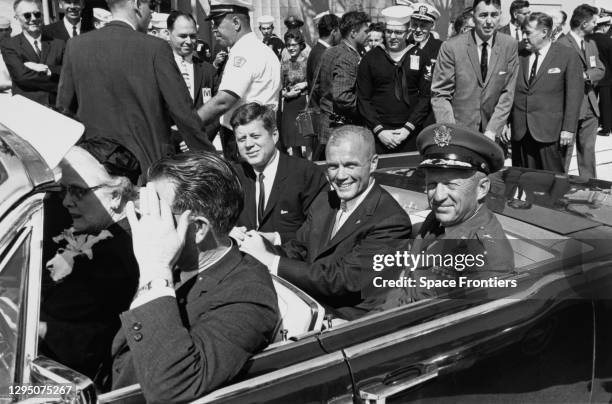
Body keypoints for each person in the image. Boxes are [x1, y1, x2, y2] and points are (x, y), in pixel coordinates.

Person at [110, 151, 279, 403]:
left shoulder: (247, 294)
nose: (144, 218)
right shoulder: (177, 256)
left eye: (156, 210)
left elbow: (173, 387)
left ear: (198, 228)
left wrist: (156, 270)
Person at [240, 125, 412, 320]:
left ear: (373, 164)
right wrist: (254, 246)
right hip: (308, 305)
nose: (340, 176)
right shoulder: (325, 201)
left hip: (348, 324)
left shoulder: (390, 220)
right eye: (332, 166)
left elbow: (344, 280)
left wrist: (271, 261)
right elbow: (297, 250)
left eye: (350, 165)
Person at [56, 0, 214, 173]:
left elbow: (63, 114)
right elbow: (183, 112)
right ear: (138, 4)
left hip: (94, 170)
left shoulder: (76, 46)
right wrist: (212, 161)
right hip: (146, 170)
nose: (152, 13)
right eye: (151, 6)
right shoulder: (156, 48)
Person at [40, 138, 140, 384]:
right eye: (64, 190)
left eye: (78, 191)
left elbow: (93, 341)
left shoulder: (114, 256)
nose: (66, 201)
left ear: (116, 195)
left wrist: (37, 328)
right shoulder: (109, 236)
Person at [383, 123, 514, 306]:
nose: (438, 196)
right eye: (432, 184)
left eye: (451, 185)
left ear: (482, 188)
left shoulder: (486, 259)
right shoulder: (443, 217)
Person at [229, 103, 328, 245]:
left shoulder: (306, 173)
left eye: (255, 136)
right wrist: (228, 232)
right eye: (242, 139)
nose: (248, 144)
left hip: (288, 260)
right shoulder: (233, 176)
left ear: (274, 135)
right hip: (243, 261)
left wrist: (276, 239)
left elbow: (319, 229)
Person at [197, 0, 280, 161]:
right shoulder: (261, 49)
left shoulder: (244, 52)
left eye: (217, 23)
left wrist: (189, 123)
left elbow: (223, 101)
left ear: (236, 22)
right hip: (262, 132)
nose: (214, 29)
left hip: (244, 139)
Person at [430, 0, 519, 143]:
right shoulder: (452, 47)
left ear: (500, 15)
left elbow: (507, 93)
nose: (489, 21)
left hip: (493, 135)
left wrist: (492, 130)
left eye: (494, 15)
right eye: (483, 15)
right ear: (473, 16)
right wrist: (451, 131)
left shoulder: (509, 45)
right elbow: (440, 94)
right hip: (459, 133)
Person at [511, 12, 583, 172]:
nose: (524, 36)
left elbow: (574, 95)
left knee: (553, 183)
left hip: (550, 134)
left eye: (528, 32)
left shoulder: (567, 55)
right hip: (521, 132)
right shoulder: (518, 54)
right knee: (524, 180)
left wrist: (568, 128)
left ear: (544, 32)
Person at [358, 5, 434, 154]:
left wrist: (407, 129)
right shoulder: (370, 58)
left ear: (408, 32)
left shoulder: (420, 56)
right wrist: (379, 130)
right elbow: (363, 98)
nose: (392, 37)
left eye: (398, 32)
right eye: (389, 31)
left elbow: (426, 97)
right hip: (379, 133)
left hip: (411, 132)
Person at [314, 11, 370, 160]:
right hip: (340, 129)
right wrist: (367, 109)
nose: (369, 35)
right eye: (366, 31)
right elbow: (343, 97)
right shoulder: (348, 57)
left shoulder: (330, 51)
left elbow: (318, 86)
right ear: (353, 33)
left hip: (328, 126)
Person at [557, 4, 605, 179]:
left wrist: (585, 75)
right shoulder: (562, 44)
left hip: (591, 108)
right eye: (594, 21)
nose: (596, 25)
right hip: (571, 108)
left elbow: (600, 69)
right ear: (584, 23)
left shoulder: (591, 43)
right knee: (564, 154)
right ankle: (558, 190)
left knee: (588, 152)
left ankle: (591, 188)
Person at [166, 11, 219, 143]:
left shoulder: (208, 71)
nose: (189, 41)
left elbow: (217, 111)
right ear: (168, 34)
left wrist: (199, 138)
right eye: (183, 36)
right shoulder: (159, 68)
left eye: (193, 36)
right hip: (169, 149)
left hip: (201, 148)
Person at [1, 0, 65, 105]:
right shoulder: (9, 45)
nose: (33, 19)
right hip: (27, 108)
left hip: (58, 107)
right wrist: (58, 83)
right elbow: (22, 78)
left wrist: (47, 69)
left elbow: (68, 72)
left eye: (37, 14)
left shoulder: (59, 44)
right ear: (16, 17)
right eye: (27, 15)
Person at [280, 29, 311, 157]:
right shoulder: (285, 65)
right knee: (294, 143)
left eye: (294, 45)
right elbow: (281, 87)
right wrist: (286, 94)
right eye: (288, 45)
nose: (291, 48)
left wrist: (305, 84)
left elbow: (315, 80)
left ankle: (310, 169)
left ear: (301, 45)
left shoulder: (308, 62)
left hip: (304, 104)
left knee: (308, 140)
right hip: (290, 105)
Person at [306, 13, 340, 100]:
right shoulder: (323, 53)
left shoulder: (318, 50)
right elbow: (319, 88)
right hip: (321, 109)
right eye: (340, 31)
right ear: (334, 32)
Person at [589, 16, 612, 136]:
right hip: (606, 77)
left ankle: (593, 124)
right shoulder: (608, 40)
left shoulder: (588, 39)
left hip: (591, 75)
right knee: (606, 102)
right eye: (608, 26)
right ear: (603, 27)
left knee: (591, 101)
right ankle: (607, 127)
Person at [0, 17, 12, 95]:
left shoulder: (19, 50)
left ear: (10, 30)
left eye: (6, 30)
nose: (4, 33)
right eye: (0, 30)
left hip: (15, 97)